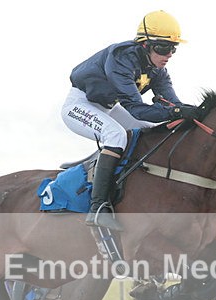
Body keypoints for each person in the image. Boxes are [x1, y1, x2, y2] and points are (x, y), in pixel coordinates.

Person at [62, 10, 201, 231]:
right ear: (145, 45)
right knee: (116, 135)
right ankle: (98, 207)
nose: (169, 54)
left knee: (154, 130)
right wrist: (175, 112)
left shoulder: (158, 71)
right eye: (163, 47)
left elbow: (172, 106)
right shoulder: (120, 59)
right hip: (80, 105)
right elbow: (137, 110)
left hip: (109, 107)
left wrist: (190, 113)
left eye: (173, 48)